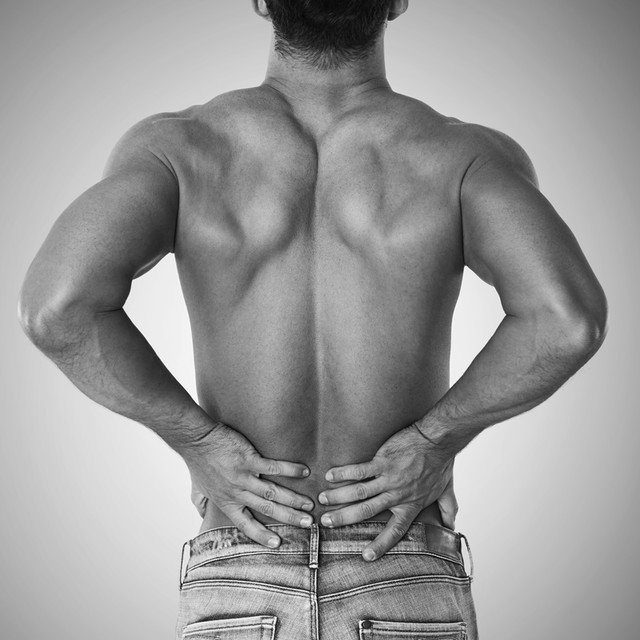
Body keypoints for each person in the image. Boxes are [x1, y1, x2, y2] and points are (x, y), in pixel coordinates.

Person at [18, 0, 607, 638]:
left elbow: (57, 307)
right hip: (397, 552)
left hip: (245, 557)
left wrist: (199, 443)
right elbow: (565, 319)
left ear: (260, 0)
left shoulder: (181, 150)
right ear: (397, 1)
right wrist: (435, 440)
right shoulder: (462, 156)